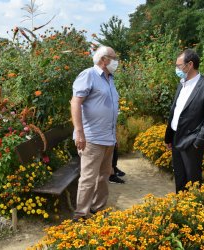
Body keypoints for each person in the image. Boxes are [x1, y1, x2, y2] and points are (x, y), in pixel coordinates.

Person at [70, 46, 119, 221]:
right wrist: (79, 132)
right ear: (104, 60)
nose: (116, 61)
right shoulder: (88, 75)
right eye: (114, 58)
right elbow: (75, 103)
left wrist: (115, 136)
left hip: (108, 138)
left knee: (104, 176)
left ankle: (98, 209)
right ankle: (81, 214)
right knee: (89, 178)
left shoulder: (110, 79)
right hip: (91, 138)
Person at [165, 49, 204, 193]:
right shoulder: (181, 84)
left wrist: (198, 142)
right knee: (180, 178)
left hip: (192, 142)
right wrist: (169, 136)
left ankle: (193, 211)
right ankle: (181, 209)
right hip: (176, 138)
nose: (176, 69)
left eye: (178, 65)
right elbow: (175, 112)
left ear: (189, 65)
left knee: (193, 181)